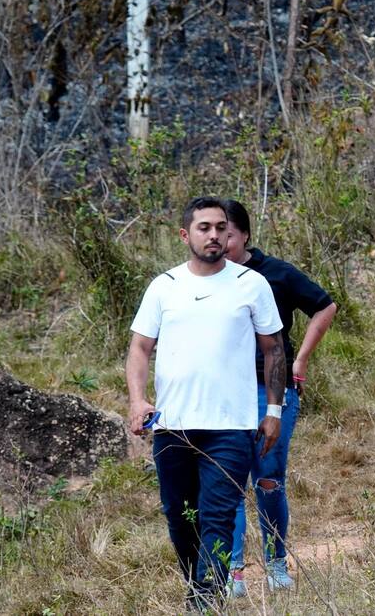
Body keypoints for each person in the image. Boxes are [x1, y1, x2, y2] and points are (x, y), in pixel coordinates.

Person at [126, 196, 287, 611]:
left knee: (216, 517)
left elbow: (274, 350)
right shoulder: (165, 286)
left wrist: (272, 411)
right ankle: (198, 586)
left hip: (231, 427)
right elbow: (141, 348)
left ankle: (204, 601)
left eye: (220, 227)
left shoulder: (251, 284)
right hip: (173, 424)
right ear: (186, 235)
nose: (214, 235)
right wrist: (137, 401)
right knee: (180, 520)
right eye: (204, 228)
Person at [221, 199, 338, 598]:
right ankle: (232, 572)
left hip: (269, 389)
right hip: (224, 393)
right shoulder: (206, 278)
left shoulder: (276, 274)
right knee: (228, 482)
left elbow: (325, 306)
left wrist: (300, 357)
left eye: (228, 234)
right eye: (213, 232)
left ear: (245, 235)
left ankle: (275, 563)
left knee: (268, 479)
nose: (220, 241)